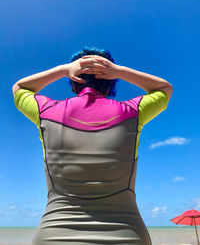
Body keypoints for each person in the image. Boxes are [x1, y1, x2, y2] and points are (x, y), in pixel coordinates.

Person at [12, 46, 173, 245]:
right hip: (126, 234)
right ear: (111, 81)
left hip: (54, 235)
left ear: (72, 83)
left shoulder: (46, 111)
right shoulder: (133, 112)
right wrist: (119, 70)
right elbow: (164, 89)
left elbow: (19, 88)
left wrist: (63, 69)